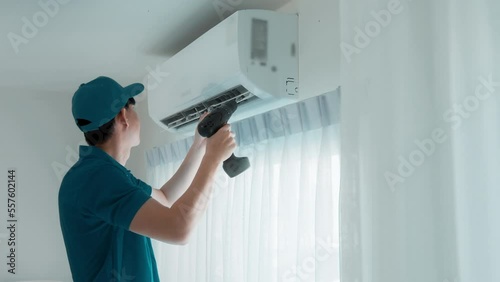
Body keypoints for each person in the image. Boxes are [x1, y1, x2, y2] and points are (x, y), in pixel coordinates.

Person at [58, 76, 236, 281]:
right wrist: (213, 158)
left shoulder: (101, 175)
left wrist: (199, 146)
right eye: (134, 108)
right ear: (123, 115)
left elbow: (165, 197)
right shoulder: (99, 178)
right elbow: (179, 229)